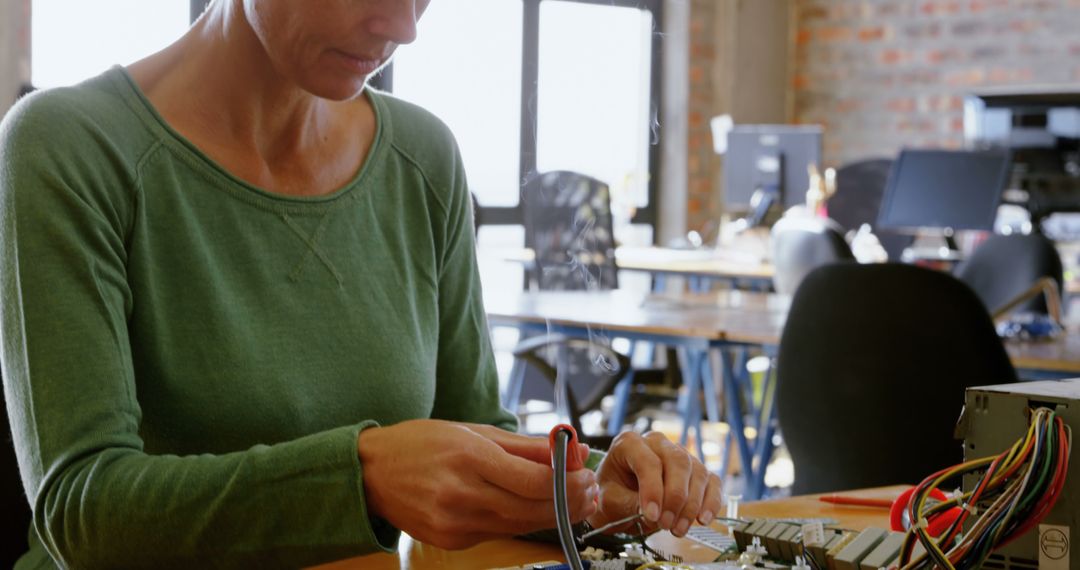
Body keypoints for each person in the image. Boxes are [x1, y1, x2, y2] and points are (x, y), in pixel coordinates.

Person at [0, 0, 722, 567]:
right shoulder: (69, 147)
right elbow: (81, 510)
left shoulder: (423, 157)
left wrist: (597, 489)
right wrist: (363, 474)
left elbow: (475, 428)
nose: (403, 25)